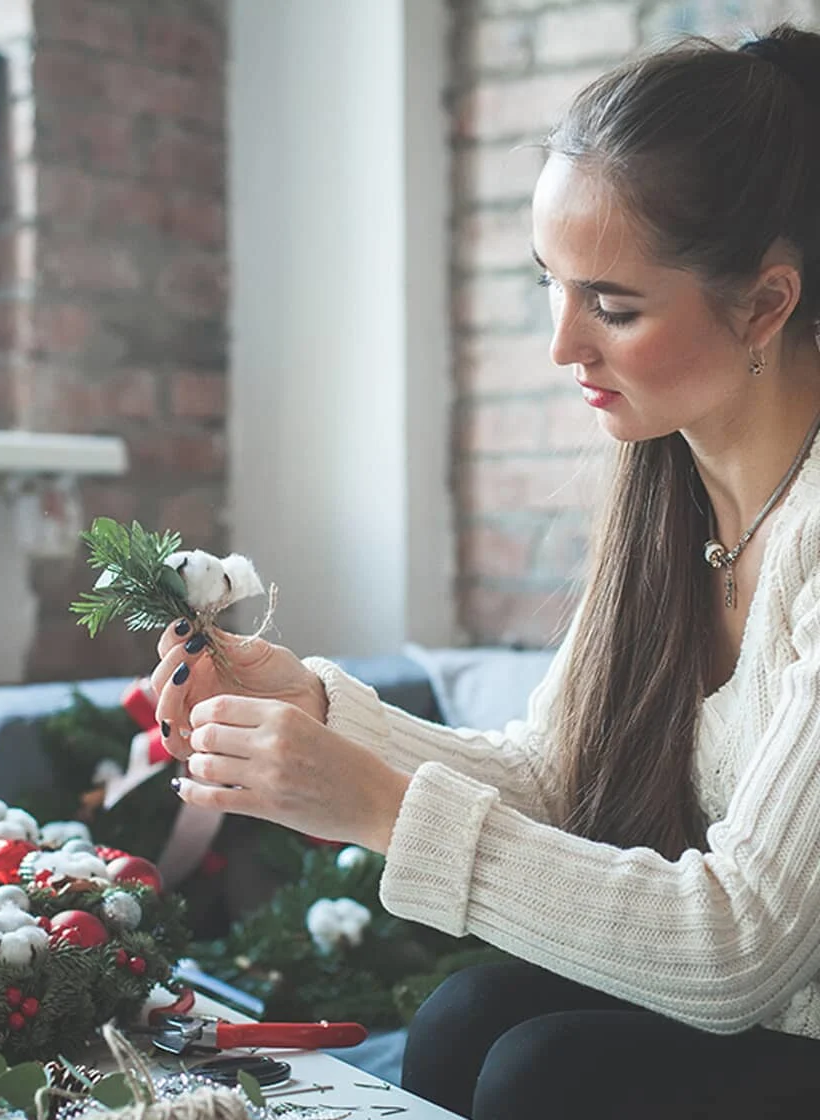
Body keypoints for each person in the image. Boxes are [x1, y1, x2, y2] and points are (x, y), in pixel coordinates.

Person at [150, 23, 820, 1120]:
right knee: (468, 1017)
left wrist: (381, 808)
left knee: (539, 1071)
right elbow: (558, 772)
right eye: (549, 285)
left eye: (612, 305)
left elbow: (739, 946)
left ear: (763, 304)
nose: (563, 347)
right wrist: (316, 709)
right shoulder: (668, 493)